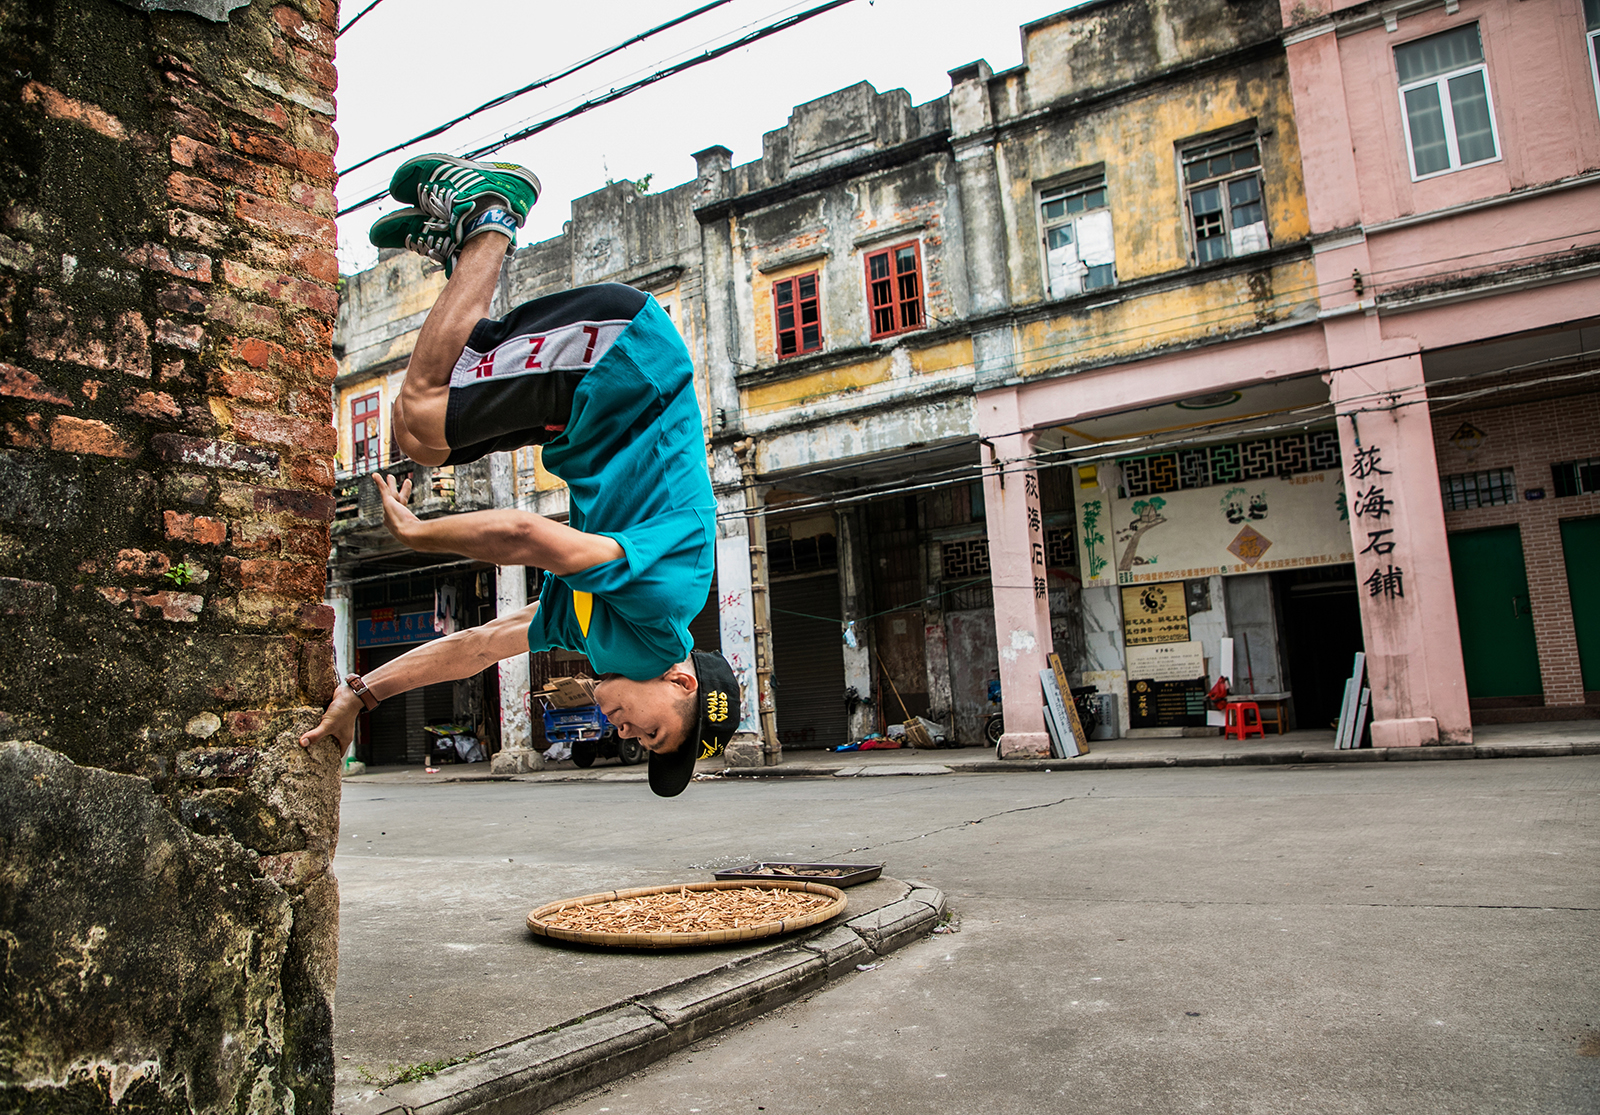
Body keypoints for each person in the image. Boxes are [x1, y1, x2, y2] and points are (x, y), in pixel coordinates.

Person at [299, 154, 738, 797]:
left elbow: (479, 643)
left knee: (425, 439)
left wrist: (360, 695)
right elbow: (527, 536)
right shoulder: (658, 605)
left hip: (585, 412)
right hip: (622, 361)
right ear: (681, 682)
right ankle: (491, 215)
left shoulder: (603, 634)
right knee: (418, 418)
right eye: (651, 734)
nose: (625, 734)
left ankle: (462, 250)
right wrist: (421, 535)